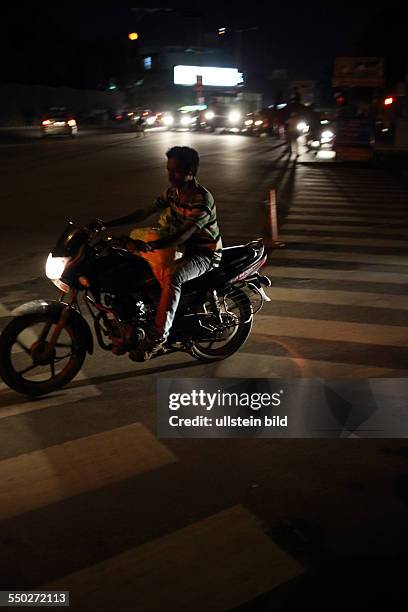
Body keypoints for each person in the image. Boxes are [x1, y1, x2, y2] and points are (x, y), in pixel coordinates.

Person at [103, 146, 222, 360]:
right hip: (177, 247)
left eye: (175, 171)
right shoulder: (172, 193)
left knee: (172, 277)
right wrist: (108, 224)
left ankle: (158, 338)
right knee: (130, 267)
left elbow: (183, 235)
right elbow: (144, 212)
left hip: (203, 254)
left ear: (191, 170)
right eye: (168, 170)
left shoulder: (201, 200)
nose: (170, 176)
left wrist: (150, 246)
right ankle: (129, 328)